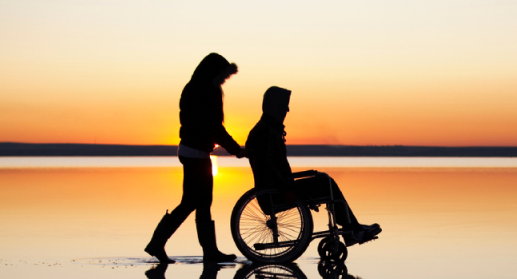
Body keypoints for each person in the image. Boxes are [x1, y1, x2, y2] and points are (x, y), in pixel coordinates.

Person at [145, 53, 247, 263]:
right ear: (214, 72)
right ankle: (163, 244)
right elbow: (214, 128)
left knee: (195, 203)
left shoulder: (194, 87)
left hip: (190, 150)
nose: (225, 79)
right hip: (196, 153)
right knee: (195, 202)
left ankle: (203, 250)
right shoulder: (207, 90)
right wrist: (236, 149)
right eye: (223, 75)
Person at [246, 87, 381, 246]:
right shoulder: (265, 132)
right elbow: (266, 166)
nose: (287, 110)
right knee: (325, 182)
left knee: (324, 181)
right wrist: (286, 188)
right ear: (275, 106)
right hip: (276, 192)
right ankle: (352, 229)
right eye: (285, 105)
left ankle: (352, 228)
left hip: (278, 188)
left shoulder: (268, 130)